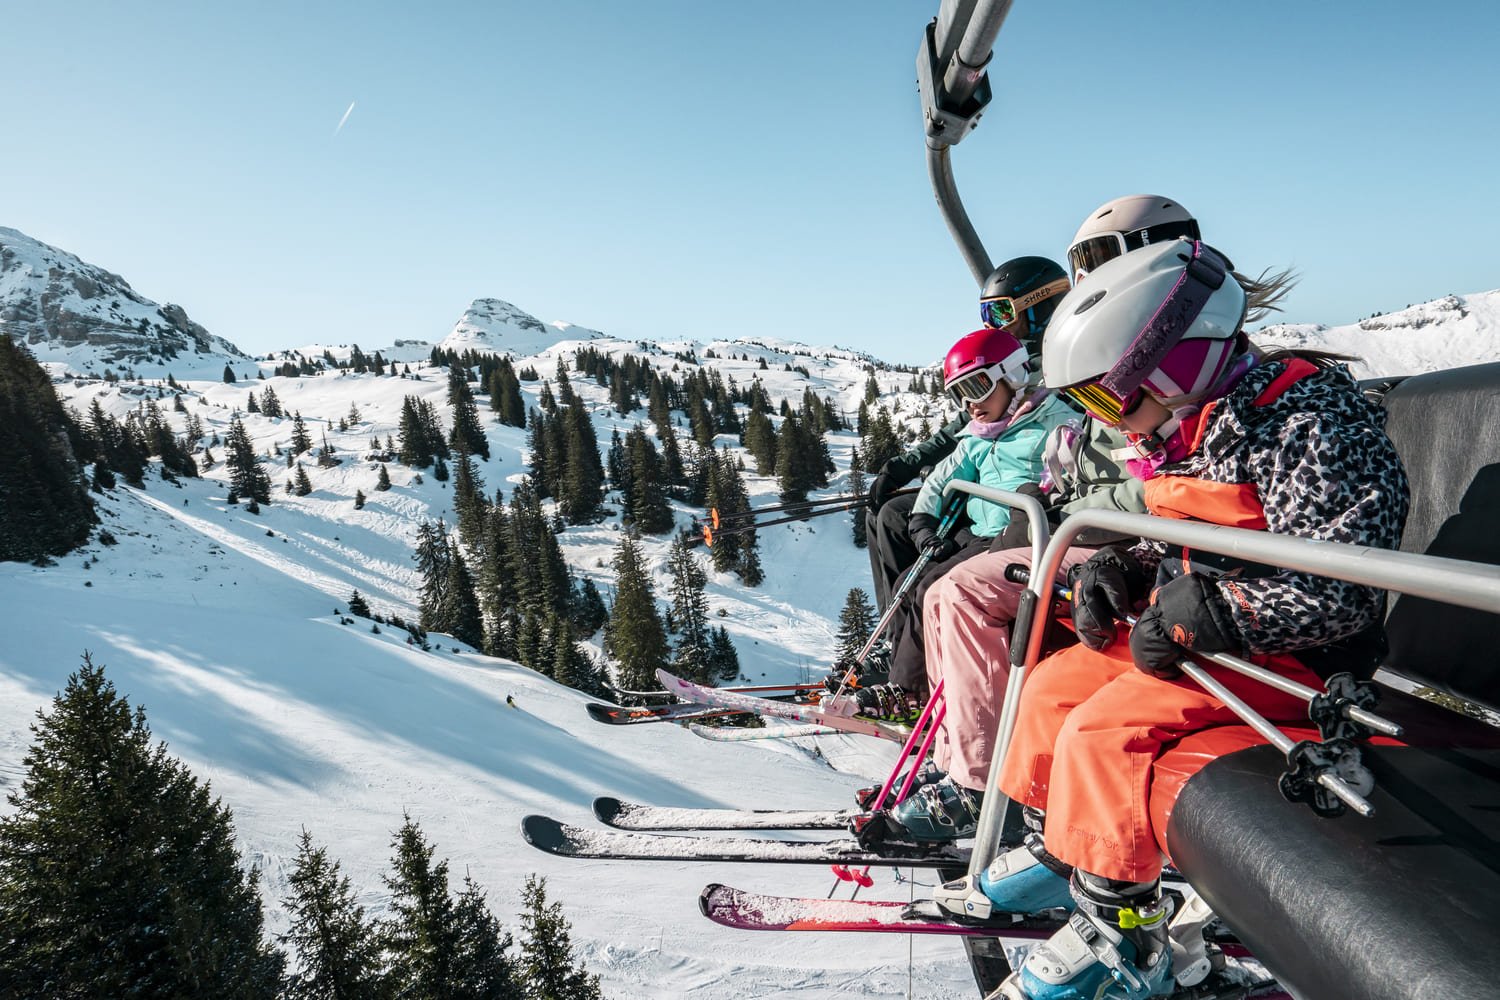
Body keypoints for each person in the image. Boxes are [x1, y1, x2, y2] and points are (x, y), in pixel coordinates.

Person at [932, 239, 1410, 1000]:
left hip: (1290, 659)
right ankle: (1071, 852)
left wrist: (1222, 612)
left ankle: (1126, 937)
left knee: (1103, 732)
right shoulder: (1208, 418)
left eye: (1104, 401)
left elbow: (1344, 590)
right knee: (1052, 689)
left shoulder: (1313, 425)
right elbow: (1183, 531)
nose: (1111, 428)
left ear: (1172, 366)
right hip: (1205, 638)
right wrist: (1119, 569)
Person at [881, 197, 1209, 838]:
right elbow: (979, 443)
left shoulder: (1159, 370)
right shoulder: (1111, 362)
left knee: (956, 590)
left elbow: (1156, 484)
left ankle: (978, 788)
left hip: (1113, 536)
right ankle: (979, 769)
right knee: (930, 561)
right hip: (1096, 528)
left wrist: (1069, 509)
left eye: (1092, 265)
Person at [839, 326, 1074, 729]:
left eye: (978, 386)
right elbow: (941, 477)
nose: (970, 403)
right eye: (958, 393)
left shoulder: (1054, 424)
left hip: (1012, 538)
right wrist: (922, 521)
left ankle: (910, 691)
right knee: (909, 586)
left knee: (929, 588)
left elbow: (1066, 478)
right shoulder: (978, 435)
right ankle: (910, 675)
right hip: (978, 532)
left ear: (1013, 376)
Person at [863, 257, 1072, 615]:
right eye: (989, 316)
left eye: (1003, 313)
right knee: (889, 513)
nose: (997, 326)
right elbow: (965, 426)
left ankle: (917, 617)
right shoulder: (1003, 358)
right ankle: (894, 628)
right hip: (983, 478)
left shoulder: (1053, 363)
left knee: (895, 516)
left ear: (1040, 307)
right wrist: (903, 467)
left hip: (1014, 497)